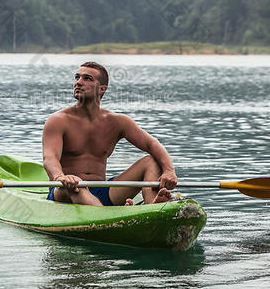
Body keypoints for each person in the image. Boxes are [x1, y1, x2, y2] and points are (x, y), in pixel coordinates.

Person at [42, 61, 178, 206]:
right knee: (77, 186)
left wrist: (169, 171)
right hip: (65, 189)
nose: (78, 82)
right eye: (77, 77)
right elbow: (50, 158)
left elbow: (152, 144)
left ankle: (153, 208)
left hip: (102, 190)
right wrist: (60, 177)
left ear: (102, 89)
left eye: (87, 78)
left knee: (151, 161)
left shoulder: (118, 121)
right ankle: (109, 219)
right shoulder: (58, 120)